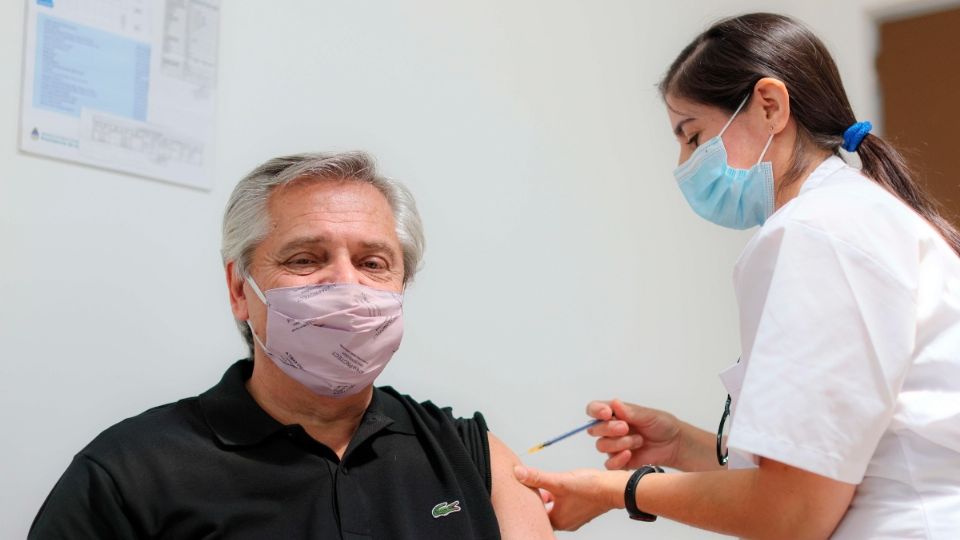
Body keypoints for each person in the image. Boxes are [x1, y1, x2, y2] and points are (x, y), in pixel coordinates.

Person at [514, 12, 960, 539]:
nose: (683, 162)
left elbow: (793, 513)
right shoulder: (857, 216)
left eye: (693, 135)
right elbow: (819, 475)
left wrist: (616, 489)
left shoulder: (817, 233)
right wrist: (683, 445)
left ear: (770, 106)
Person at [30, 152, 553, 540]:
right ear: (240, 289)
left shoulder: (466, 452)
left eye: (373, 264)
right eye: (305, 259)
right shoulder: (128, 473)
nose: (347, 286)